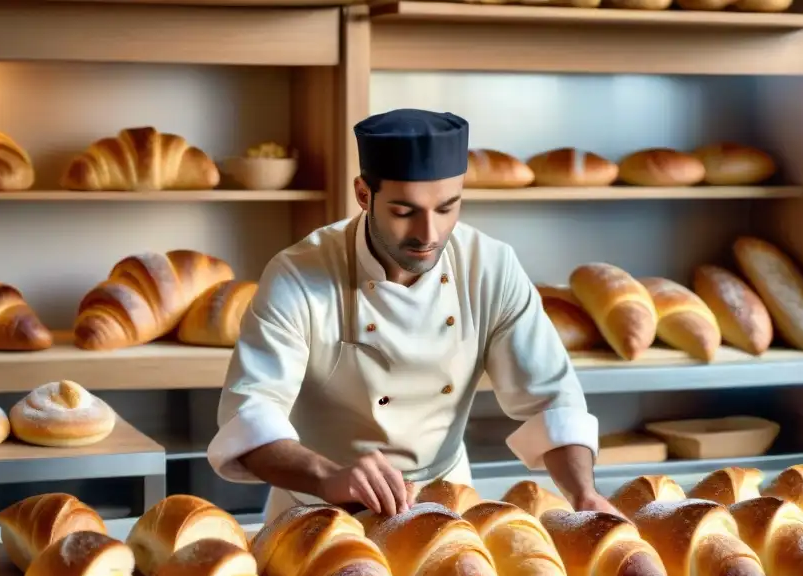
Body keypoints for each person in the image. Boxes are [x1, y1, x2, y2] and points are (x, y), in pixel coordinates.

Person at [207, 108, 616, 523]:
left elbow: (551, 398)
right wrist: (329, 477)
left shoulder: (490, 267)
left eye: (447, 208)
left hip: (445, 506)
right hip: (317, 512)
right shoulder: (298, 274)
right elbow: (250, 413)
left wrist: (584, 494)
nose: (430, 234)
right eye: (405, 212)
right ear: (364, 195)